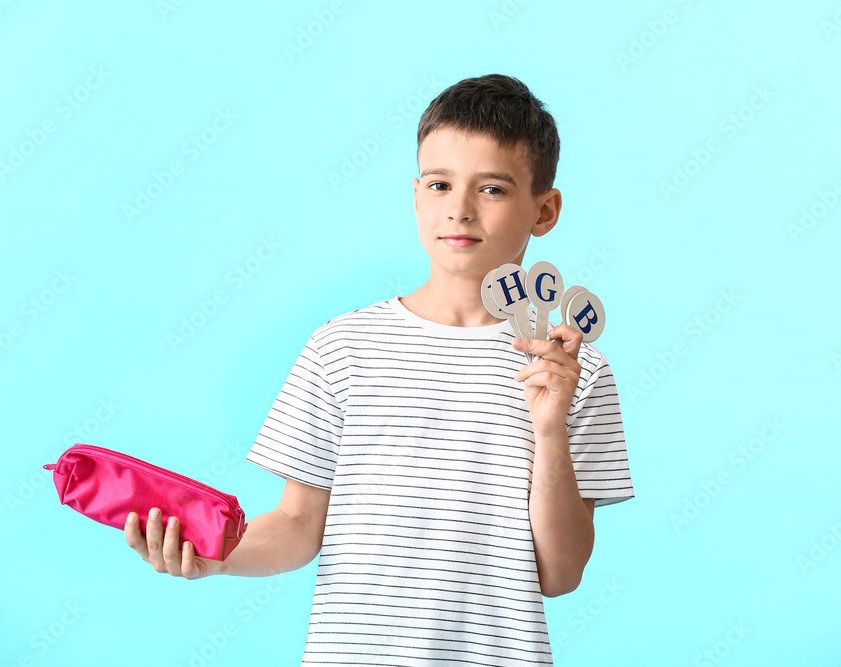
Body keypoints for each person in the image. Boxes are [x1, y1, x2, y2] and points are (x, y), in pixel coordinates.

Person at [125, 73, 634, 665]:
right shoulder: (342, 348)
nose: (460, 210)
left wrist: (549, 429)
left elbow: (561, 573)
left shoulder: (574, 370)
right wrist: (218, 556)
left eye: (492, 189)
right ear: (416, 195)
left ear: (543, 210)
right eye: (440, 185)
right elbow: (296, 524)